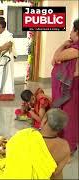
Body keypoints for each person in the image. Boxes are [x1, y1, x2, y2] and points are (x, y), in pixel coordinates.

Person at [0, 108, 70, 179]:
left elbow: (10, 151)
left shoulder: (25, 135)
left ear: (45, 121)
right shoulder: (65, 147)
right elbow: (56, 174)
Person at [51, 19, 79, 154]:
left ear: (77, 31)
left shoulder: (75, 50)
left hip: (72, 88)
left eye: (72, 30)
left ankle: (69, 147)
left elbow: (56, 57)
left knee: (70, 116)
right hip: (69, 87)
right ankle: (65, 144)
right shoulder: (72, 47)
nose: (70, 33)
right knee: (67, 115)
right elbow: (54, 61)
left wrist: (62, 45)